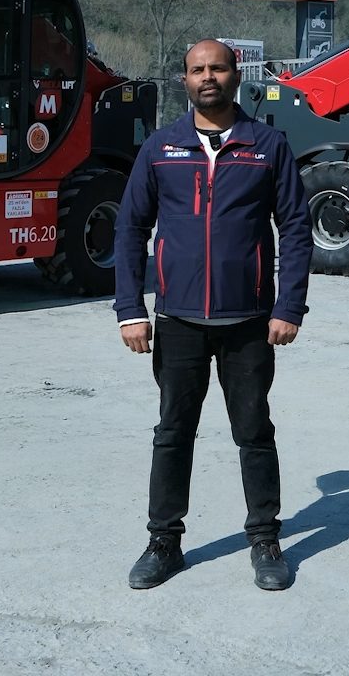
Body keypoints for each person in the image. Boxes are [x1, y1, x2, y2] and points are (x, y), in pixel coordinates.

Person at [114, 39, 312, 591]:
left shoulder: (267, 146)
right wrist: (131, 309)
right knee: (173, 432)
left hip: (248, 321)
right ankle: (163, 542)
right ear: (185, 80)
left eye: (218, 68)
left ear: (236, 75)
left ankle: (265, 539)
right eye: (198, 69)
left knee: (253, 430)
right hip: (177, 321)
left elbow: (295, 229)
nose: (209, 77)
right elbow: (130, 230)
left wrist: (288, 305)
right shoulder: (160, 148)